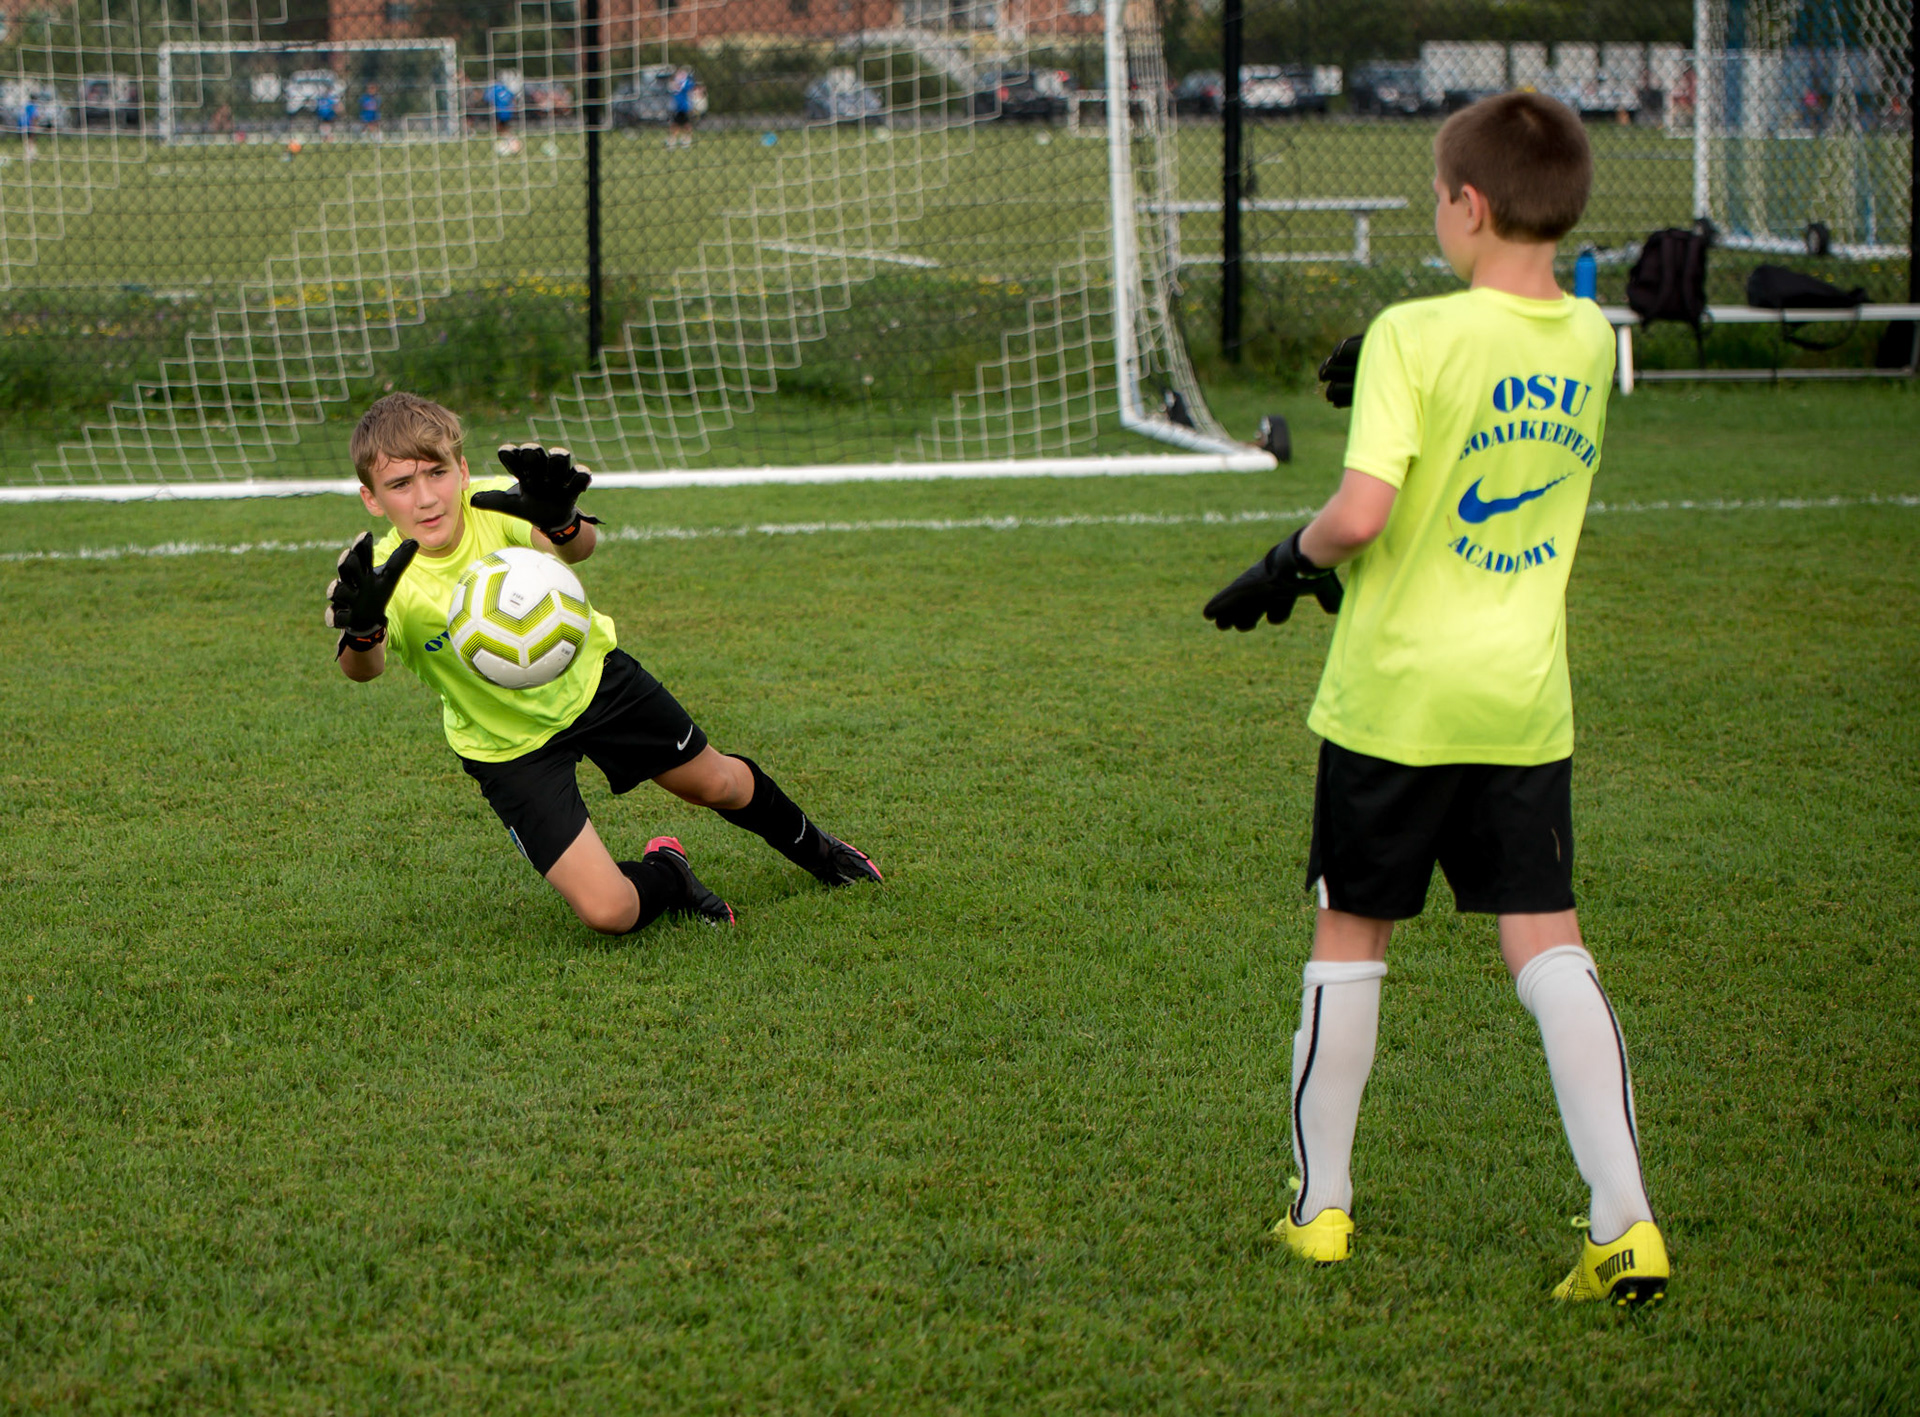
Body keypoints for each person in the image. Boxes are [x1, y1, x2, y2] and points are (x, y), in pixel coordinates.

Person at [1202, 92, 1668, 1308]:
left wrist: (1287, 562)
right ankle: (1626, 1222)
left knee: (1350, 940)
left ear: (1466, 203)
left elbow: (1362, 513)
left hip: (1397, 701)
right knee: (1547, 943)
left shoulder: (1414, 334)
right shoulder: (1590, 338)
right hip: (1522, 700)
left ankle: (1320, 1209)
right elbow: (1500, 375)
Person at [325, 393, 882, 936]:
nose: (427, 498)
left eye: (437, 473)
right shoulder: (381, 577)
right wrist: (364, 629)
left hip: (596, 684)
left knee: (717, 784)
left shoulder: (495, 503)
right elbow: (363, 669)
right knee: (609, 912)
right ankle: (671, 875)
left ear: (463, 470)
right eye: (401, 484)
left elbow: (576, 548)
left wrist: (562, 522)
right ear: (372, 498)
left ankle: (820, 851)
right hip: (505, 744)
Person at [667, 66, 696, 150]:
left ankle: (686, 140)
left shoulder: (686, 83)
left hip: (684, 107)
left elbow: (690, 87)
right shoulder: (675, 83)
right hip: (677, 107)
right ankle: (674, 140)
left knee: (685, 124)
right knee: (675, 124)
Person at [489, 77, 519, 154]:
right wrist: (513, 108)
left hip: (500, 112)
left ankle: (513, 143)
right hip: (508, 112)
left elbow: (490, 100)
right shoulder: (505, 89)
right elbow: (513, 99)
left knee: (500, 128)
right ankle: (510, 142)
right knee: (502, 128)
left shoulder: (494, 89)